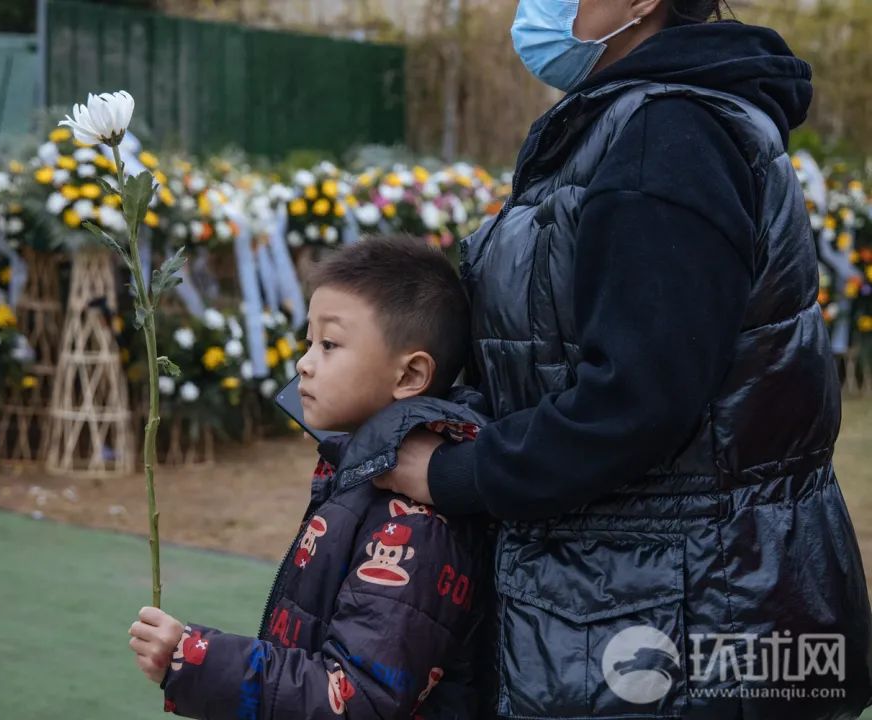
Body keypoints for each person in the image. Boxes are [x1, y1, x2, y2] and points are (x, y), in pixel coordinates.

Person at [377, 1, 872, 717]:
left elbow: (637, 399)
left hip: (680, 604)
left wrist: (455, 473)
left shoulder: (670, 135)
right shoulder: (632, 121)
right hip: (662, 585)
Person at [127, 237, 493, 719]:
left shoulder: (415, 524)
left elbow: (356, 698)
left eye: (329, 344)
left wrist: (195, 659)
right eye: (308, 342)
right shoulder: (363, 478)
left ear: (409, 376)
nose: (304, 362)